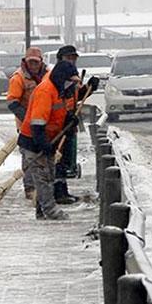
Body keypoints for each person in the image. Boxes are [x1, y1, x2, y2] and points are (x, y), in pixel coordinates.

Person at [18, 60, 82, 220]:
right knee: (43, 178)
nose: (72, 85)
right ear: (62, 77)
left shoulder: (59, 90)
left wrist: (69, 120)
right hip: (34, 141)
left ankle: (41, 210)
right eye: (71, 81)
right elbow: (37, 122)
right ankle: (50, 210)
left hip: (48, 140)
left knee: (49, 176)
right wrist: (43, 144)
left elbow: (56, 115)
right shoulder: (46, 91)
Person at [53, 45, 99, 204]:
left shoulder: (72, 77)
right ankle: (55, 194)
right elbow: (56, 101)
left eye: (74, 58)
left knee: (63, 161)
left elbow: (76, 97)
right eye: (68, 58)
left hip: (67, 125)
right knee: (56, 161)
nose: (71, 61)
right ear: (60, 60)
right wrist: (64, 119)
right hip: (56, 126)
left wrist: (89, 88)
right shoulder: (55, 78)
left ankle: (62, 192)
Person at [6, 47, 47, 200]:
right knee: (29, 156)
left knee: (44, 155)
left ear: (41, 62)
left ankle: (44, 187)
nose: (33, 65)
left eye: (36, 62)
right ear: (25, 61)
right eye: (31, 62)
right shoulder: (18, 77)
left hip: (44, 124)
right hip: (25, 125)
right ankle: (30, 189)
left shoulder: (47, 76)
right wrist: (27, 118)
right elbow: (12, 102)